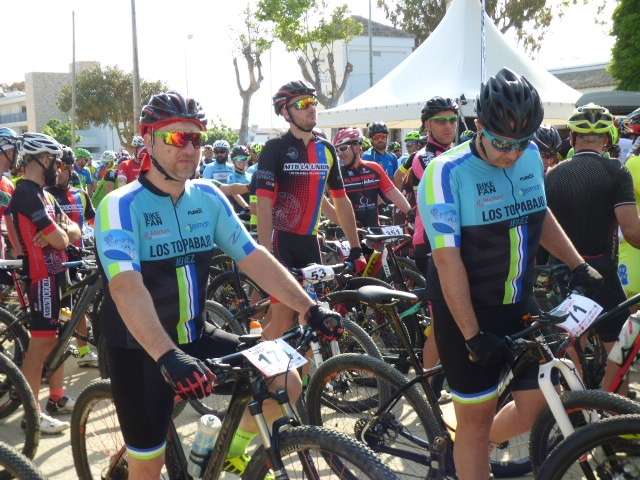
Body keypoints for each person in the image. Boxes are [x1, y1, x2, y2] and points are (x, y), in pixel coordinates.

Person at [95, 91, 342, 479]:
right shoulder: (121, 205)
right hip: (140, 347)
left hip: (194, 334)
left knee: (286, 379)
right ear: (148, 140)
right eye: (177, 137)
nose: (189, 149)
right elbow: (127, 288)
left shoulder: (208, 197)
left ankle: (228, 452)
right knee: (149, 464)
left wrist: (308, 307)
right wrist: (167, 354)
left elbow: (254, 257)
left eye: (196, 139)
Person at [418, 68, 602, 480]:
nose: (512, 154)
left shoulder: (531, 155)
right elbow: (447, 261)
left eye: (521, 142)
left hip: (519, 302)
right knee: (476, 419)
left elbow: (541, 214)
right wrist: (472, 335)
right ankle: (469, 450)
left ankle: (471, 449)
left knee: (536, 409)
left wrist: (578, 264)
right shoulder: (446, 172)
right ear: (478, 125)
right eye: (502, 142)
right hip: (467, 311)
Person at [256, 80, 362, 339]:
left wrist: (356, 247)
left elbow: (340, 200)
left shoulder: (326, 149)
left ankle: (302, 370)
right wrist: (265, 256)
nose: (311, 108)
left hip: (310, 243)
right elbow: (264, 205)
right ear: (285, 112)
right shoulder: (274, 149)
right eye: (302, 104)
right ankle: (255, 361)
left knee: (314, 322)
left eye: (312, 102)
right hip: (281, 242)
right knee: (283, 320)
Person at [546, 103, 640, 391]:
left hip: (562, 268)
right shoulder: (616, 171)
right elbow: (632, 232)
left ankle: (575, 403)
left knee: (570, 341)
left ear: (573, 137)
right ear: (608, 138)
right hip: (601, 269)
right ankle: (612, 403)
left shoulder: (553, 174)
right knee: (620, 339)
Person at [8, 133, 82, 434]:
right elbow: (62, 239)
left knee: (59, 338)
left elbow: (74, 231)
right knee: (40, 344)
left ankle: (57, 397)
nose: (58, 167)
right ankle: (32, 414)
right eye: (53, 161)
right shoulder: (26, 193)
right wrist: (60, 235)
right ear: (40, 159)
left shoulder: (46, 195)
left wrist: (60, 233)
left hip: (57, 275)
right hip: (40, 279)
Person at [45, 146, 98, 368]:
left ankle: (83, 352)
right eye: (57, 166)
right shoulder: (45, 195)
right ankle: (51, 355)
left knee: (78, 307)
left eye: (64, 167)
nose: (60, 171)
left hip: (78, 259)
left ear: (70, 168)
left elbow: (93, 221)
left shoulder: (80, 194)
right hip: (53, 261)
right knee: (58, 312)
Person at [333, 127, 410, 227]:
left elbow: (392, 192)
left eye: (343, 148)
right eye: (337, 150)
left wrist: (410, 213)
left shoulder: (374, 168)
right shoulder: (337, 174)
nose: (339, 154)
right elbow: (335, 204)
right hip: (348, 229)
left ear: (357, 146)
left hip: (374, 229)